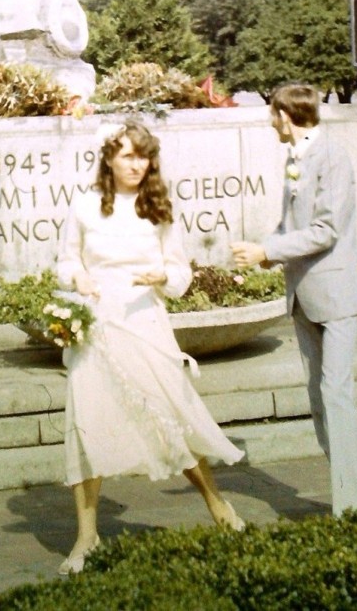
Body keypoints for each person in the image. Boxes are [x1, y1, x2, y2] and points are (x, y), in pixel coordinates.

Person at [56, 120, 245, 576]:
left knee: (169, 419)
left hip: (145, 323)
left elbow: (180, 275)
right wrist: (77, 278)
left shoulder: (157, 208)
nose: (135, 164)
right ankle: (86, 536)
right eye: (126, 155)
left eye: (143, 156)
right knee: (88, 426)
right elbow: (65, 261)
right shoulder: (84, 206)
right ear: (108, 159)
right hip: (97, 326)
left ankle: (217, 505)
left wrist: (164, 277)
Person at [232, 83, 357, 517]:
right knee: (320, 399)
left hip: (335, 295)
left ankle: (352, 506)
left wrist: (269, 251)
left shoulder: (332, 156)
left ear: (286, 116)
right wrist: (262, 252)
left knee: (336, 395)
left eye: (273, 115)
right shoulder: (297, 157)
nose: (272, 123)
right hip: (304, 298)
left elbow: (326, 230)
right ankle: (347, 494)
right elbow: (292, 222)